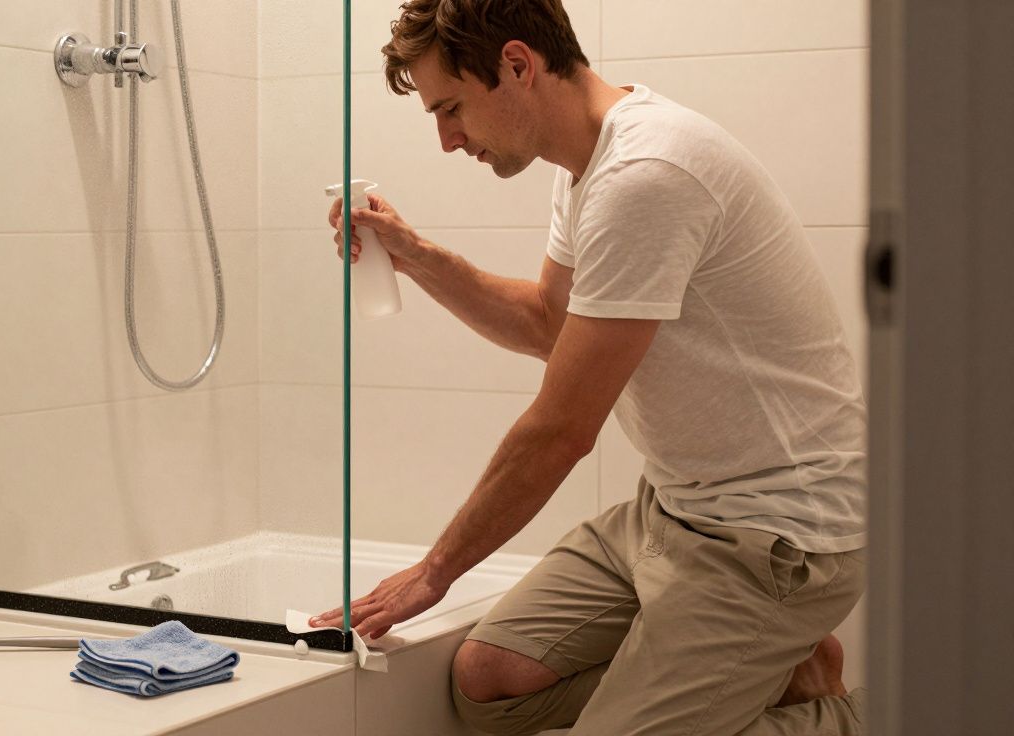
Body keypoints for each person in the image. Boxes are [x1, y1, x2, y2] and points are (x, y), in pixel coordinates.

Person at [309, 1, 868, 734]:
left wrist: (433, 572)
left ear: (517, 66)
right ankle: (780, 675)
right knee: (488, 686)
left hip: (777, 537)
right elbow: (549, 323)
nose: (448, 141)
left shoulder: (646, 174)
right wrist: (414, 255)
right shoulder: (585, 164)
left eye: (451, 109)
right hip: (675, 510)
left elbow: (562, 429)